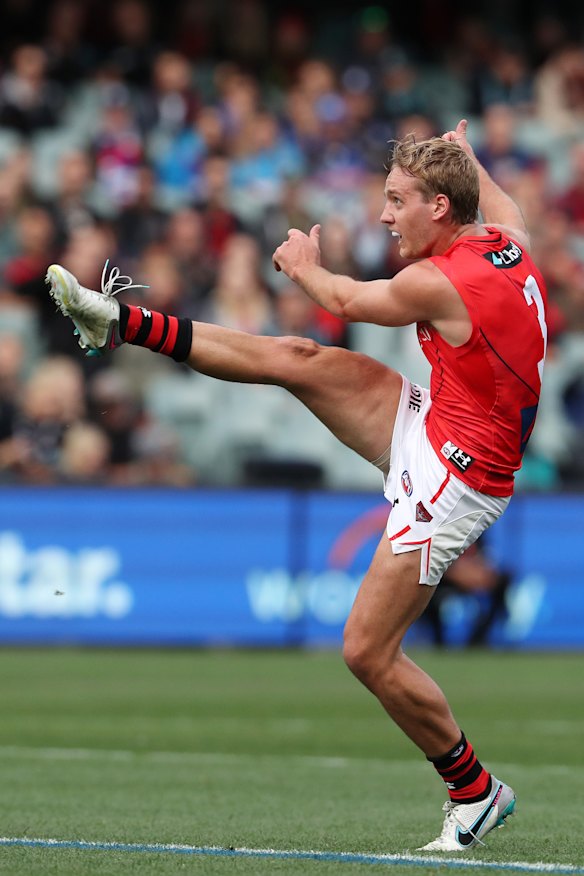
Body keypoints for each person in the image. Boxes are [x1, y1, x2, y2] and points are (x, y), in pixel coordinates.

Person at [45, 119, 547, 852]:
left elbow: (342, 300)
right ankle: (119, 321)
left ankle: (475, 791)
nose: (384, 214)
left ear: (439, 208)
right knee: (298, 356)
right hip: (439, 425)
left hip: (455, 480)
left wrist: (303, 262)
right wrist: (466, 156)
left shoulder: (438, 280)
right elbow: (509, 210)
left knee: (365, 652)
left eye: (397, 199)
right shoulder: (504, 243)